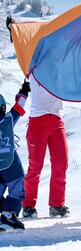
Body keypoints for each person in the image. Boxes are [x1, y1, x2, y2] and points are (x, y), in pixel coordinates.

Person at [22, 75, 70, 218]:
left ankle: (56, 205)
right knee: (35, 165)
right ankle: (28, 206)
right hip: (37, 120)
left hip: (56, 120)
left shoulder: (61, 67)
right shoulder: (33, 66)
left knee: (62, 163)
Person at [0, 80, 30, 230]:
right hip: (10, 162)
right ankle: (8, 215)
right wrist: (24, 91)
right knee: (17, 185)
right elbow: (19, 106)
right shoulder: (8, 118)